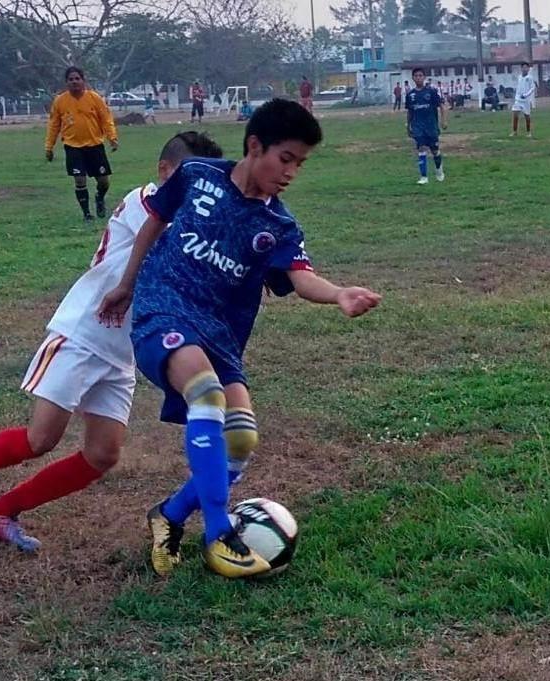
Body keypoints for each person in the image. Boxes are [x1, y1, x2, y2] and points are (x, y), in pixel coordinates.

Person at [97, 100, 381, 578]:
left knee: (242, 438)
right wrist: (127, 282)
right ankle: (218, 537)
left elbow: (299, 276)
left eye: (300, 164)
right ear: (255, 147)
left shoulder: (278, 227)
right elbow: (153, 223)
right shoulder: (196, 176)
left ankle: (167, 515)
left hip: (219, 333)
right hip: (163, 308)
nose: (291, 172)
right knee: (206, 396)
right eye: (285, 159)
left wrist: (338, 295)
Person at [0, 131, 225, 551]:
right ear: (165, 172)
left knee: (102, 455)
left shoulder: (190, 221)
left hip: (121, 353)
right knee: (40, 439)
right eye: (190, 182)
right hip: (84, 333)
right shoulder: (144, 202)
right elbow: (171, 249)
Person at [45, 66, 118, 222]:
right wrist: (49, 147)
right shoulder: (60, 101)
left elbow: (106, 119)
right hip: (73, 147)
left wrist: (112, 138)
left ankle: (100, 197)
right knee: (79, 180)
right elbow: (54, 125)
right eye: (71, 79)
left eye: (77, 79)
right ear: (66, 82)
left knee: (104, 181)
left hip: (95, 145)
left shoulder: (94, 98)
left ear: (83, 81)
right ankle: (86, 214)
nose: (74, 82)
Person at [405, 66, 447, 185]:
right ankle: (424, 177)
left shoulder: (431, 92)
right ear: (413, 78)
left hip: (431, 126)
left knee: (435, 151)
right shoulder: (410, 95)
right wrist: (408, 126)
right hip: (418, 126)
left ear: (424, 77)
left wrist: (444, 121)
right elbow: (410, 112)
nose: (418, 78)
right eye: (416, 76)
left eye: (420, 76)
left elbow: (442, 106)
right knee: (421, 149)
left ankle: (439, 170)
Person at [510, 62, 536, 138]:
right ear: (521, 69)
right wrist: (516, 95)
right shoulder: (519, 77)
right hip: (518, 100)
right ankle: (514, 132)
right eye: (523, 67)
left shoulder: (530, 78)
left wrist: (526, 95)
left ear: (528, 69)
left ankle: (528, 132)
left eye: (526, 68)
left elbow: (532, 88)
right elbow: (518, 87)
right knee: (515, 115)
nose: (525, 69)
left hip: (526, 101)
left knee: (527, 116)